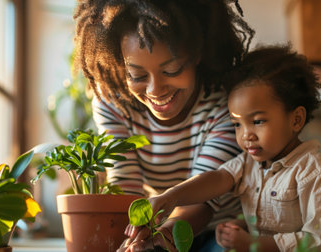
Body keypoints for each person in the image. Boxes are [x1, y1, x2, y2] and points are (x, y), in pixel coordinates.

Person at [72, 0, 255, 251]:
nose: (155, 90)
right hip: (158, 228)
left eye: (171, 69)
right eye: (137, 76)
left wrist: (159, 239)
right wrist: (135, 237)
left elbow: (203, 202)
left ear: (197, 53)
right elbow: (126, 185)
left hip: (221, 230)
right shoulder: (113, 103)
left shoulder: (226, 102)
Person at [148, 45, 321, 252]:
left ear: (296, 119)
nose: (246, 134)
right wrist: (172, 196)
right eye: (237, 124)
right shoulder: (248, 164)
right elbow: (219, 178)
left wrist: (253, 245)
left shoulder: (316, 172)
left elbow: (320, 241)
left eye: (257, 121)